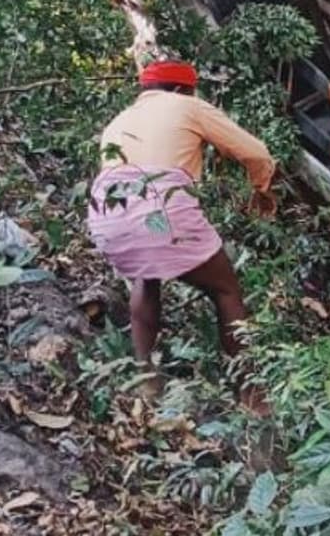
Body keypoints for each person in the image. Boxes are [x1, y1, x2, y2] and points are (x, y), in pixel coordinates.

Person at [86, 59, 276, 408]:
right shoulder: (187, 106)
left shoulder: (118, 121)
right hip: (159, 208)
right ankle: (252, 395)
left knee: (147, 278)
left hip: (106, 216)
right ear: (181, 89)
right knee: (226, 289)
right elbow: (256, 153)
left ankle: (147, 382)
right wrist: (260, 189)